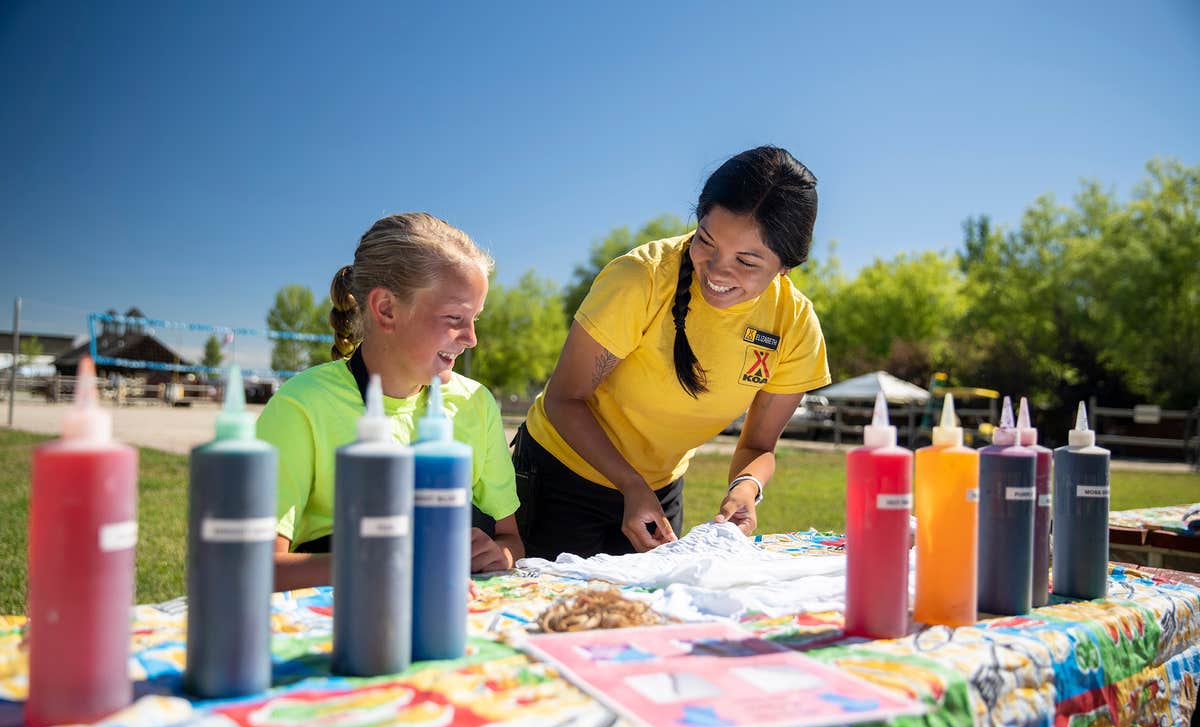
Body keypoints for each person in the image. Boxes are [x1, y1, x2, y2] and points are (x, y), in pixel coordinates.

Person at [515, 146, 831, 561]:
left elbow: (757, 446)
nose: (717, 271)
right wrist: (631, 486)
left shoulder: (794, 323)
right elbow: (563, 399)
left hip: (658, 491)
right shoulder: (640, 278)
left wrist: (746, 488)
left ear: (785, 266)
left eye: (747, 261)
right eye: (706, 241)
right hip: (559, 477)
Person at [257, 212, 523, 591]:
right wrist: (391, 564)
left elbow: (512, 541)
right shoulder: (303, 405)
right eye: (455, 317)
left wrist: (499, 555)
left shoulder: (475, 404)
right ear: (386, 309)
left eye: (475, 318)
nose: (471, 338)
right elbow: (258, 568)